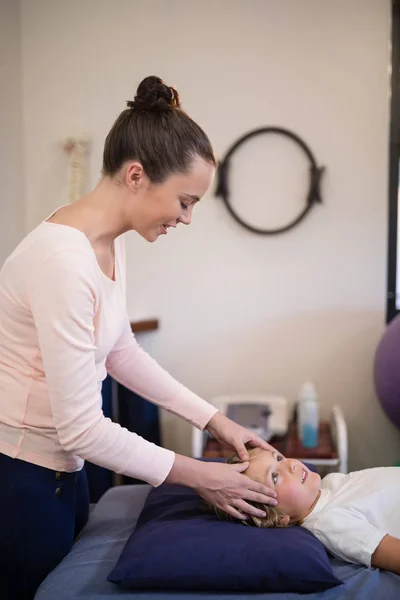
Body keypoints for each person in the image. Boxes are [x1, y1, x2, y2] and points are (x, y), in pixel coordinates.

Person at [0, 76, 278, 600]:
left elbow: (121, 351)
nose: (186, 218)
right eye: (185, 201)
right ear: (135, 176)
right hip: (21, 475)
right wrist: (200, 476)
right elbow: (81, 427)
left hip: (65, 472)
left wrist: (214, 421)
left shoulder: (107, 244)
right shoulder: (64, 262)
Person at [212, 446, 400, 576]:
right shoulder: (329, 524)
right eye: (275, 476)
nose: (290, 464)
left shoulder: (326, 486)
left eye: (278, 458)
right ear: (278, 517)